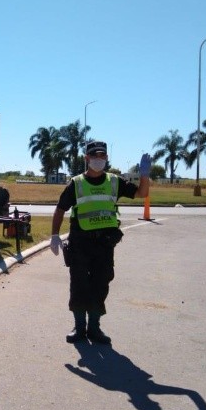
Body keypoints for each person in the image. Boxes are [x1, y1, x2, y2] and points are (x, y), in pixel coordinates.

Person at [49, 141, 151, 345]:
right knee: (79, 284)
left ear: (106, 158)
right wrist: (54, 235)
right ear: (86, 158)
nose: (99, 159)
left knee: (100, 284)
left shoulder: (114, 181)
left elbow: (142, 193)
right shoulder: (76, 183)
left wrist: (144, 175)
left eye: (102, 156)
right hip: (80, 241)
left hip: (105, 243)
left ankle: (94, 328)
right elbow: (60, 209)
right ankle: (79, 328)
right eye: (95, 156)